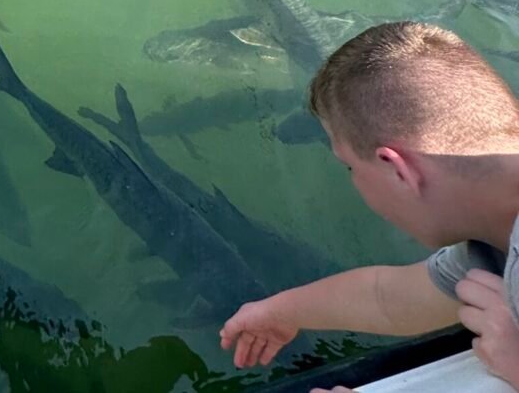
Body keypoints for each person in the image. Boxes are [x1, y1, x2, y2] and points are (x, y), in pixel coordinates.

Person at [218, 22, 519, 391]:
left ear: (397, 169)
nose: (352, 181)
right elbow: (388, 297)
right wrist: (279, 311)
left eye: (349, 167)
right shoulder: (491, 238)